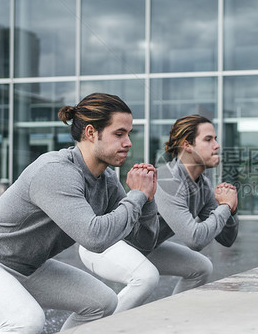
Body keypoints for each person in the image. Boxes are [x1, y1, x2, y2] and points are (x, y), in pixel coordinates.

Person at [0, 92, 158, 334]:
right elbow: (94, 237)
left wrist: (147, 199)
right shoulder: (57, 171)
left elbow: (143, 243)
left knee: (102, 303)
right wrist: (136, 196)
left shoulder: (106, 180)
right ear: (91, 132)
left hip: (27, 265)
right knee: (26, 321)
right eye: (119, 134)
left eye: (129, 134)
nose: (128, 143)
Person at [78, 114, 238, 313]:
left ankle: (175, 318)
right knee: (145, 277)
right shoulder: (167, 180)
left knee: (201, 267)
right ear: (187, 145)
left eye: (215, 139)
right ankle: (101, 327)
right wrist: (224, 207)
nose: (216, 145)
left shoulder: (203, 185)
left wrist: (231, 209)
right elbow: (194, 238)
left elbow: (226, 238)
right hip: (106, 245)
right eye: (208, 139)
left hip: (144, 246)